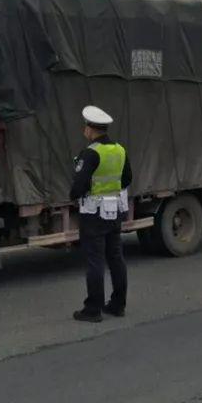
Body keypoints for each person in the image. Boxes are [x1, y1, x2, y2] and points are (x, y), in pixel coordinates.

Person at [69, 105, 132, 322]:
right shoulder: (120, 150)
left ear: (91, 129)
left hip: (93, 213)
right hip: (114, 211)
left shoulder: (91, 152)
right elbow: (127, 179)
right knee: (116, 257)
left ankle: (93, 309)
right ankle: (117, 305)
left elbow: (78, 186)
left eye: (85, 126)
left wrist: (76, 194)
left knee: (95, 260)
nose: (84, 130)